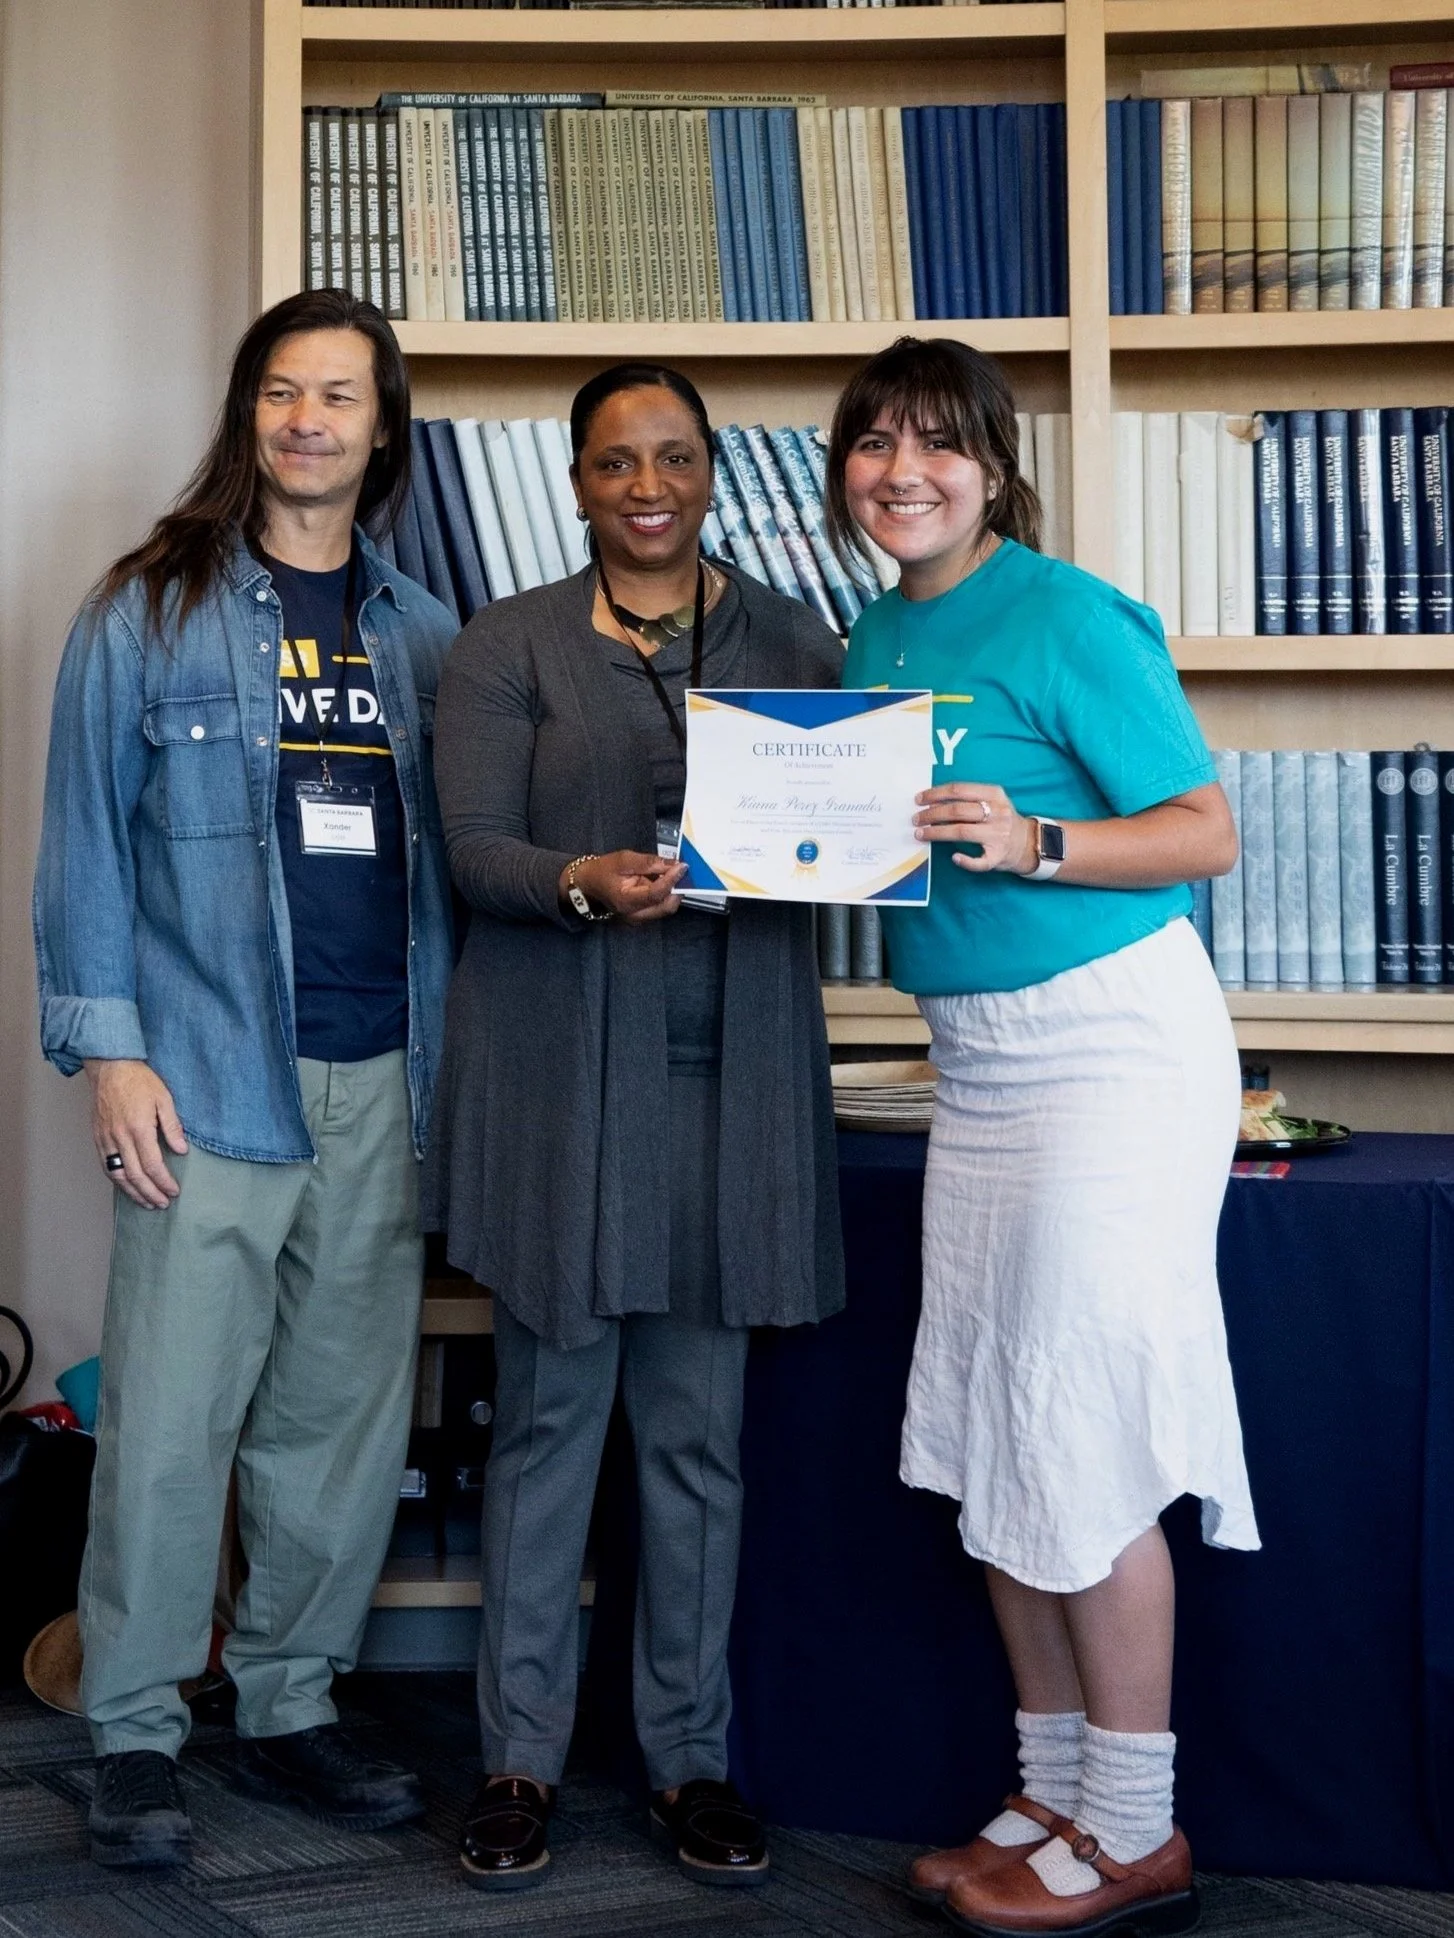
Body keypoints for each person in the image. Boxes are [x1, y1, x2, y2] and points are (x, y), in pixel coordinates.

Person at [828, 337, 1260, 1937]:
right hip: (981, 1066)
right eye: (872, 444)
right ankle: (1051, 1785)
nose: (901, 471)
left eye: (935, 444)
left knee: (1079, 1423)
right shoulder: (876, 626)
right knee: (991, 1425)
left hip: (1111, 1049)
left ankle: (1136, 1824)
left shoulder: (1069, 611)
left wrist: (1038, 836)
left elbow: (1205, 826)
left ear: (993, 464)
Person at [33, 290, 457, 1870]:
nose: (307, 421)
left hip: (384, 1077)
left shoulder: (422, 634)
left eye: (338, 396)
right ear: (247, 413)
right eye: (282, 392)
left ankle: (288, 1701)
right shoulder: (143, 607)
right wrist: (112, 1048)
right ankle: (135, 1729)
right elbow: (80, 839)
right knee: (166, 1422)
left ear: (379, 427)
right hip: (205, 1074)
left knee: (335, 1424)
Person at [425, 362, 845, 1892]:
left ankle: (688, 1760)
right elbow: (472, 850)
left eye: (672, 456)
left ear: (714, 470)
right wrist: (580, 881)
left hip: (725, 1097)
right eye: (614, 462)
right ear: (579, 481)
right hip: (559, 1092)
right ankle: (518, 1758)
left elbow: (842, 835)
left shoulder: (793, 642)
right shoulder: (504, 644)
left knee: (694, 1442)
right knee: (546, 1432)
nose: (644, 484)